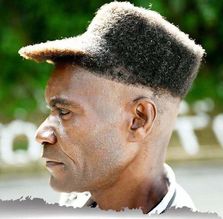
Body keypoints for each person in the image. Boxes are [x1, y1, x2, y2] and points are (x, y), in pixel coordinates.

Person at [18, 1, 204, 215]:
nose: (42, 134)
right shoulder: (79, 196)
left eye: (65, 112)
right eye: (52, 110)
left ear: (138, 120)